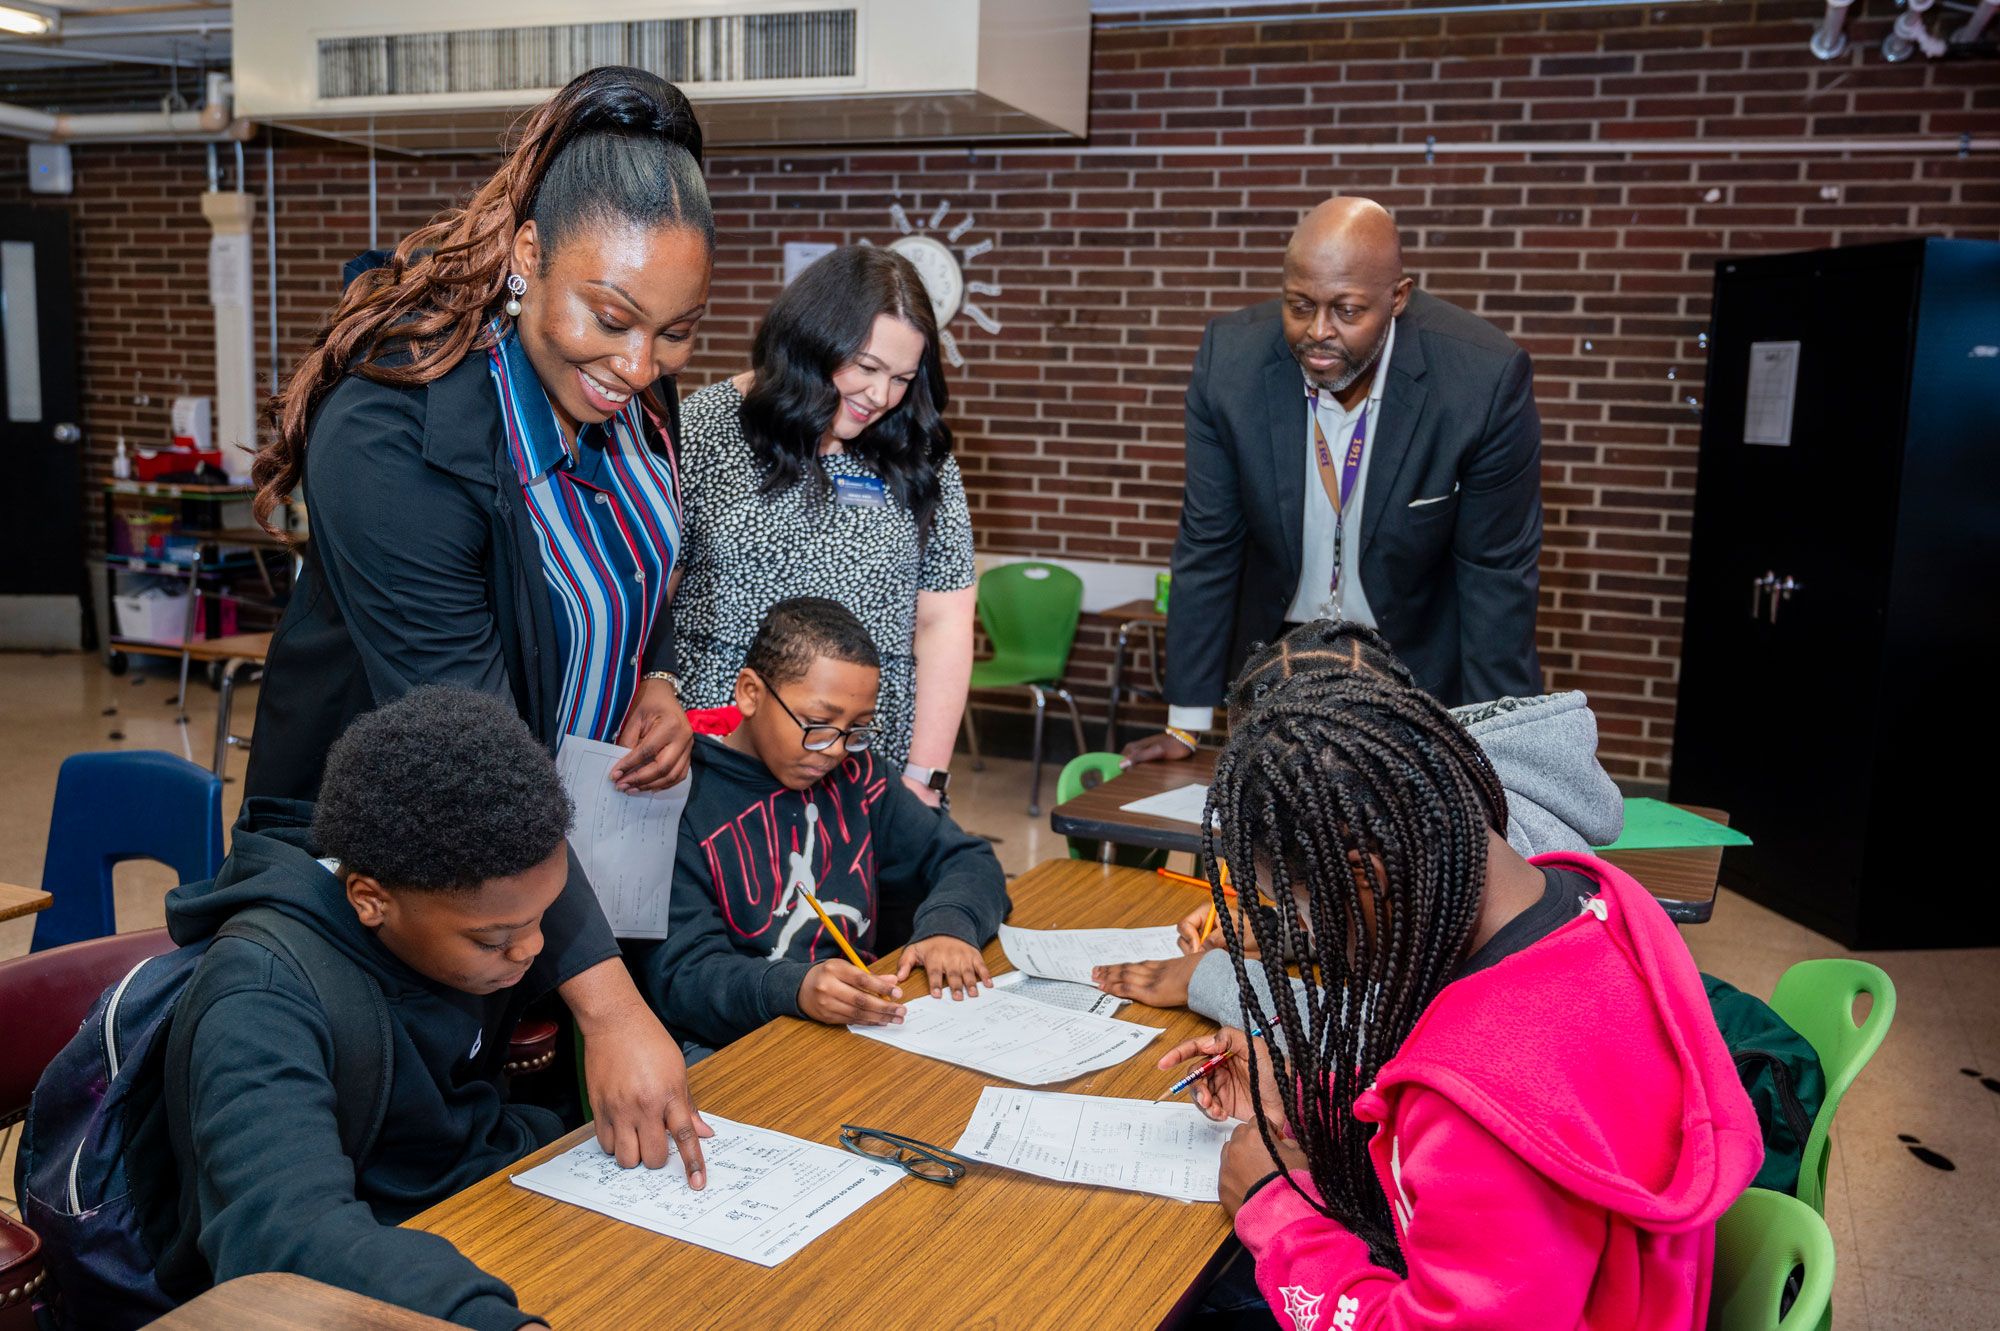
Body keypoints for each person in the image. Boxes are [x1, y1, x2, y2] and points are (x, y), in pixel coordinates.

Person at [240, 66, 715, 1175]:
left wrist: (655, 681)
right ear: (527, 255)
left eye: (677, 332)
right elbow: (473, 749)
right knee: (413, 1196)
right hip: (404, 895)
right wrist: (607, 1009)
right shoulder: (393, 433)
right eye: (610, 318)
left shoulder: (633, 394)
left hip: (563, 869)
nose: (640, 364)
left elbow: (641, 571)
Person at [1157, 636, 1760, 1329]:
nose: (1305, 936)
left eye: (1296, 908)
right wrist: (1303, 1094)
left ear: (1366, 877)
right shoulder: (1598, 901)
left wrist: (1277, 1210)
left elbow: (1479, 1147)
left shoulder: (1477, 1094)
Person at [157, 687, 680, 1330]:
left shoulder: (458, 908)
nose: (534, 950)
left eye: (545, 916)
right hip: (365, 1273)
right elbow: (281, 1244)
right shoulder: (259, 1000)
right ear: (370, 899)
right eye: (496, 939)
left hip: (473, 1202)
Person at [1126, 196, 1545, 768]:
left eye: (1347, 311)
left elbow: (1496, 574)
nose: (1318, 333)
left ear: (1397, 297)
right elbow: (1208, 542)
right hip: (1278, 664)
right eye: (1300, 306)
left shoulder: (1482, 380)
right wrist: (1186, 721)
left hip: (1415, 664)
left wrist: (1505, 750)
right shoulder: (1230, 364)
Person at [1095, 620, 1623, 1018]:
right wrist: (1287, 931)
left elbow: (1388, 1041)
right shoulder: (1433, 797)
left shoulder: (1502, 946)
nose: (1300, 914)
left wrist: (1207, 981)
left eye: (1300, 901)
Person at [672, 245, 976, 806]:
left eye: (902, 378)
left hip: (865, 768)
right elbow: (654, 598)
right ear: (811, 343)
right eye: (866, 368)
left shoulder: (918, 451)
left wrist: (926, 777)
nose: (881, 396)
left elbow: (945, 621)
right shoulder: (707, 427)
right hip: (719, 760)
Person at [644, 597, 1008, 1054]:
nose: (835, 750)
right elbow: (681, 977)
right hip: (733, 1047)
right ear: (750, 693)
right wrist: (793, 988)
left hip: (855, 1035)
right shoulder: (680, 797)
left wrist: (950, 925)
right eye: (817, 724)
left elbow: (966, 857)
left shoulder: (862, 777)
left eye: (857, 729)